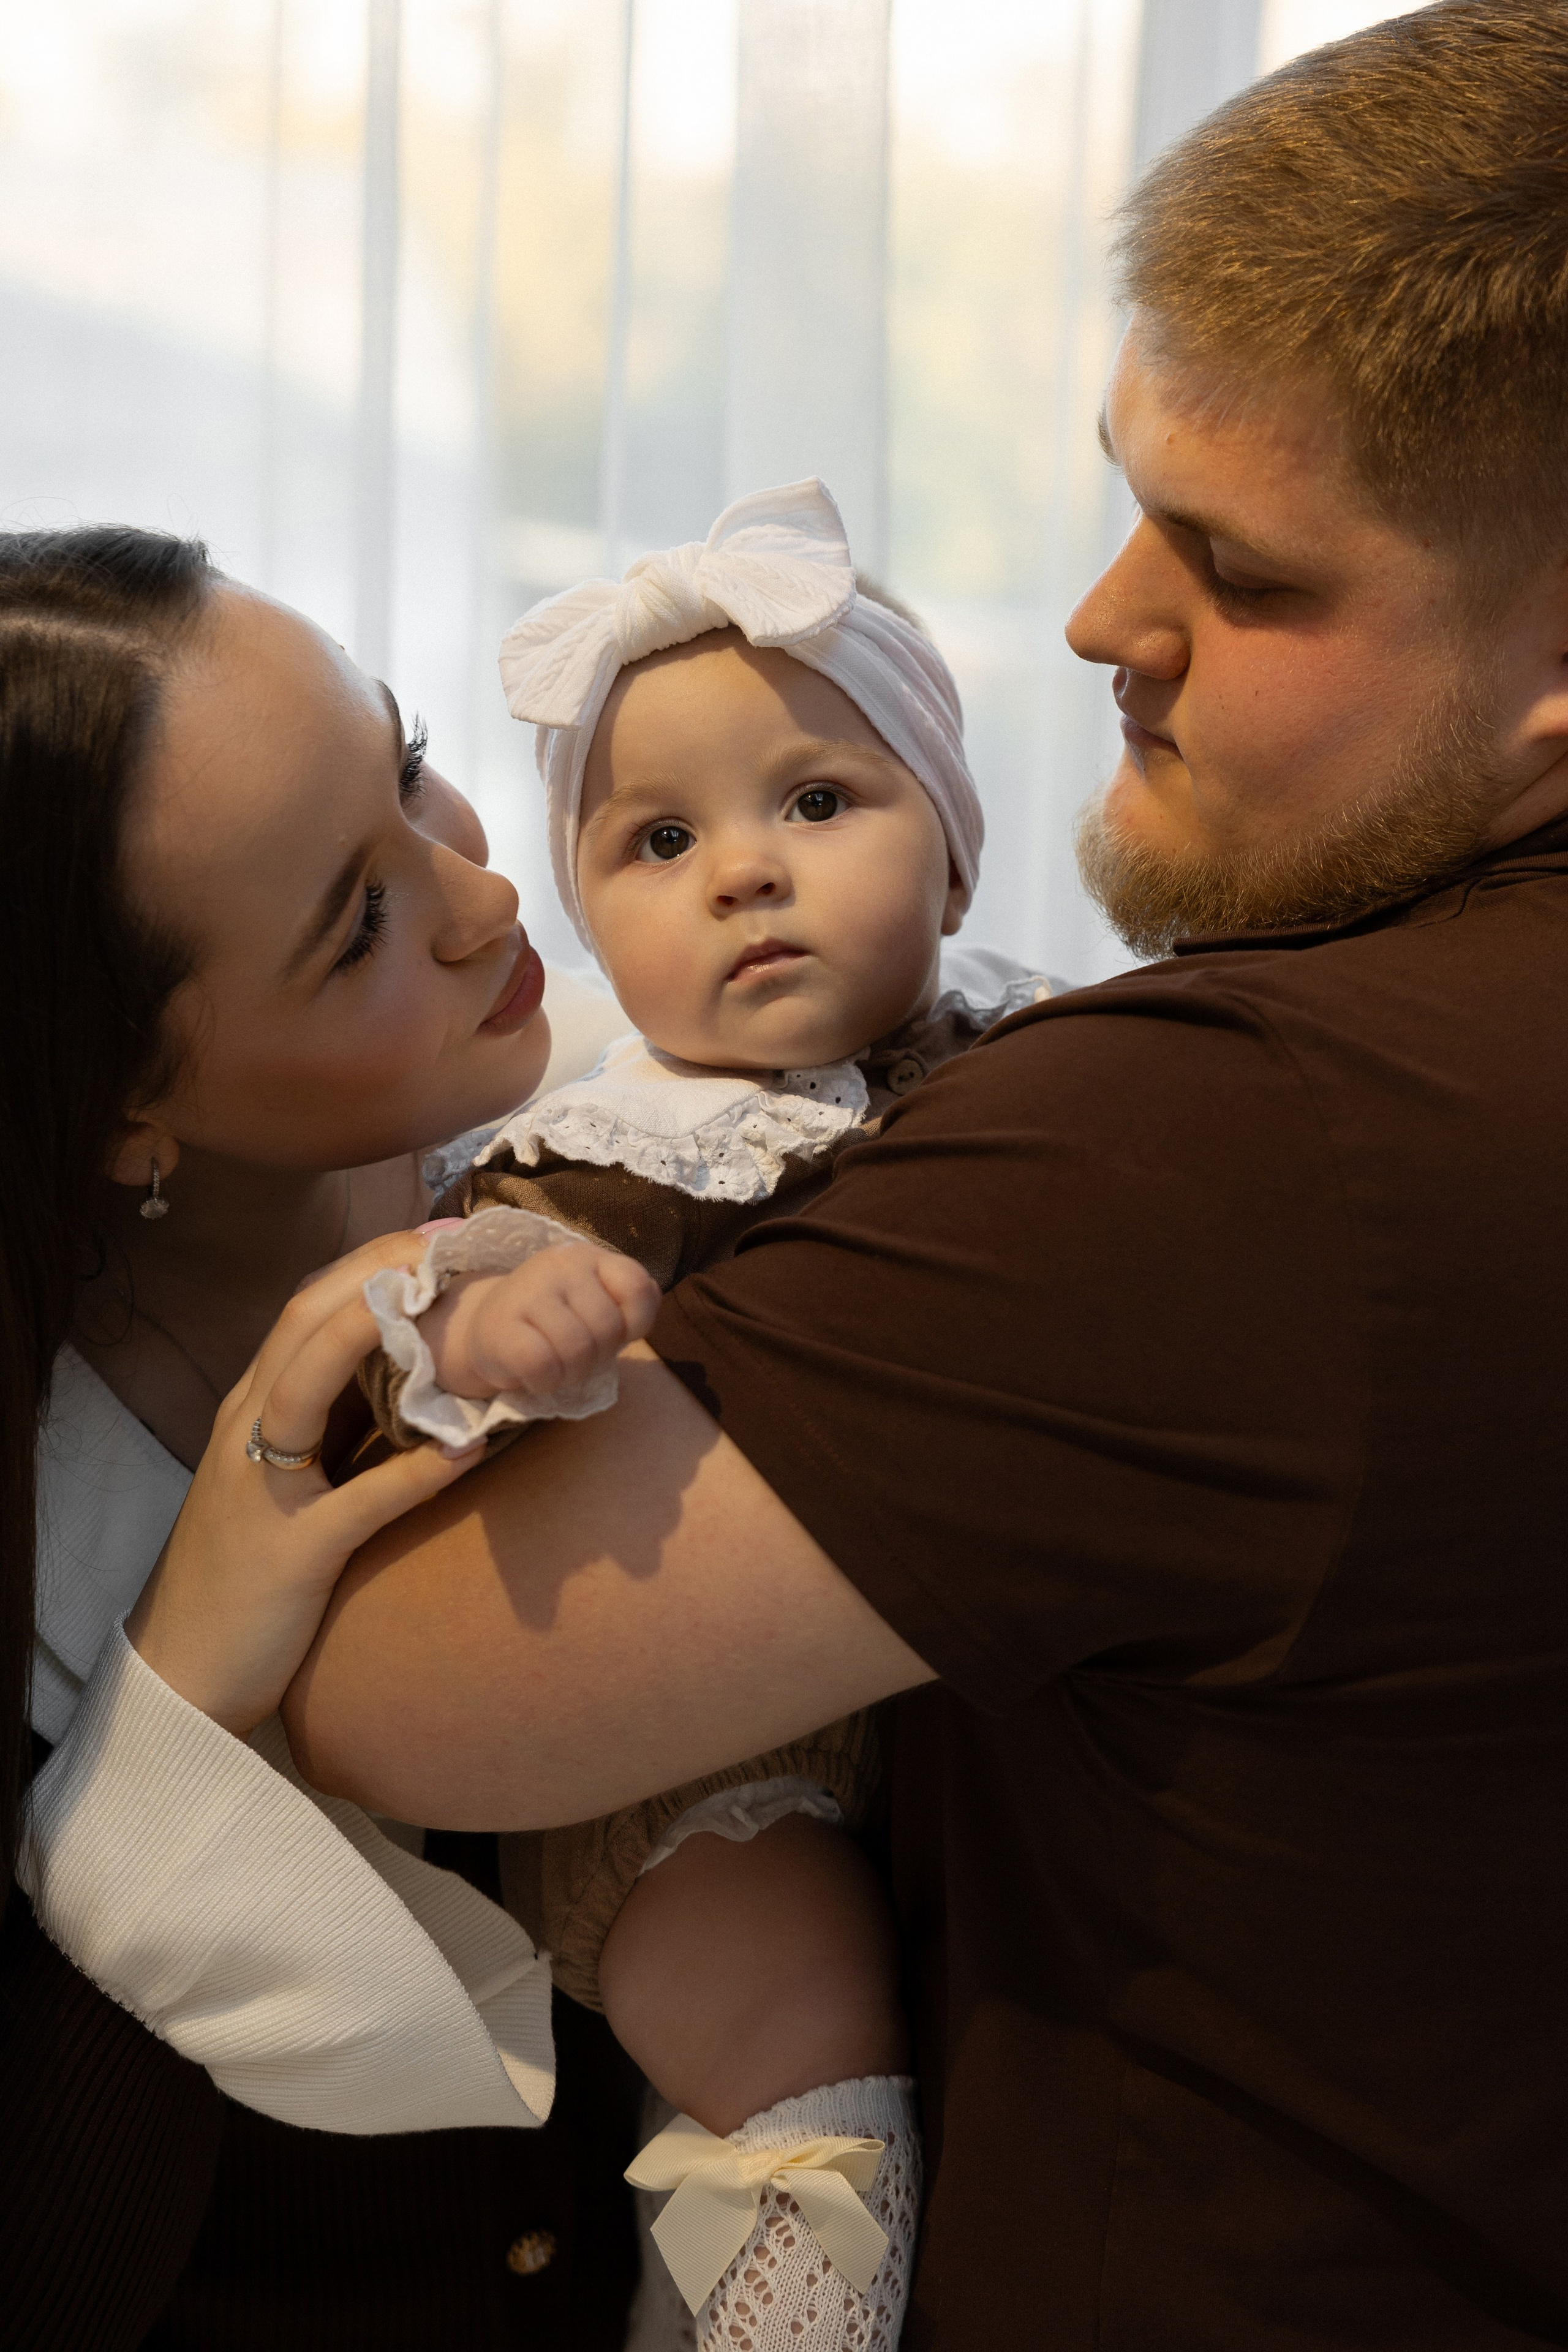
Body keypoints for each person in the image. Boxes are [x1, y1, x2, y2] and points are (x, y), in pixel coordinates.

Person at [287, 6, 1568, 2344]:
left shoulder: (1219, 1136)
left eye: (1240, 567)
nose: (1102, 618)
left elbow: (403, 1687)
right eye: (1125, 491)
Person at [355, 477, 1049, 2350]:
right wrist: (507, 1323)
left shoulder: (1042, 1063)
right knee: (790, 2012)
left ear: (957, 863)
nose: (744, 871)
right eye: (660, 841)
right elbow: (433, 1322)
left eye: (817, 803)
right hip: (703, 1774)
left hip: (958, 1705)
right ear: (593, 920)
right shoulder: (607, 1146)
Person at [1, 526, 652, 2349]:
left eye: (412, 760)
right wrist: (175, 1708)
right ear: (122, 1105)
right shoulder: (49, 1504)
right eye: (359, 923)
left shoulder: (632, 1139)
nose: (486, 896)